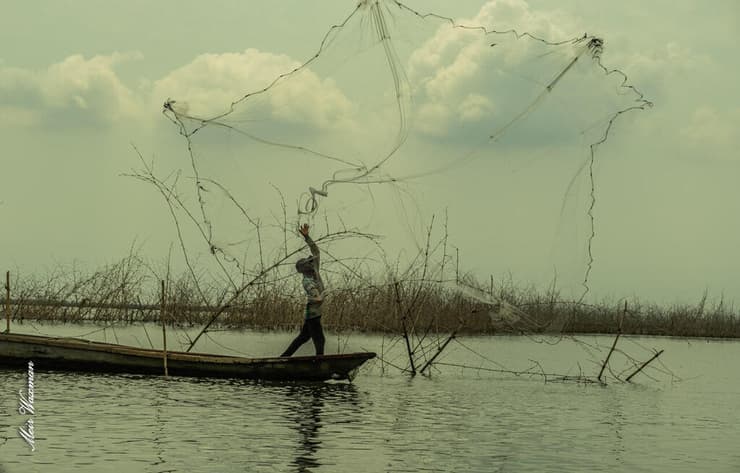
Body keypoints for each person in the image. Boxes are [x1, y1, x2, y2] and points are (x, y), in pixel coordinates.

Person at [281, 224, 326, 357]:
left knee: (303, 338)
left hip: (313, 313)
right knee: (320, 339)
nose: (312, 262)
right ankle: (320, 363)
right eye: (309, 262)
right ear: (305, 269)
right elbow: (315, 296)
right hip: (312, 314)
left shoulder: (315, 269)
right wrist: (321, 295)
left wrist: (307, 237)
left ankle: (284, 357)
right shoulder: (307, 281)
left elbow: (316, 251)